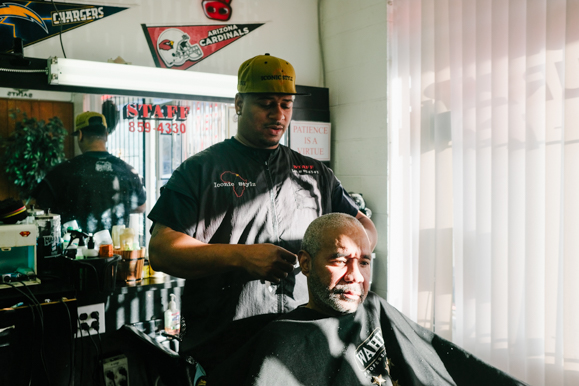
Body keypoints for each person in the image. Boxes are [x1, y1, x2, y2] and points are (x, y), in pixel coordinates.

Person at [147, 53, 377, 370]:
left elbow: (362, 225)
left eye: (285, 104)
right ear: (239, 104)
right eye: (266, 103)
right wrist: (241, 256)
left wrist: (350, 259)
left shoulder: (312, 171)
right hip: (227, 345)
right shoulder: (200, 170)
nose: (278, 114)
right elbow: (161, 250)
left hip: (303, 339)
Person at [208, 213, 528, 386]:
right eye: (338, 259)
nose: (355, 276)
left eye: (364, 262)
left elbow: (435, 367)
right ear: (305, 263)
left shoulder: (372, 308)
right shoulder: (284, 342)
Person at [33, 111, 147, 234]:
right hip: (116, 250)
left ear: (80, 135)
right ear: (106, 135)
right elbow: (141, 207)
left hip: (75, 248)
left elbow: (40, 208)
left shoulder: (62, 171)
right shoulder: (127, 170)